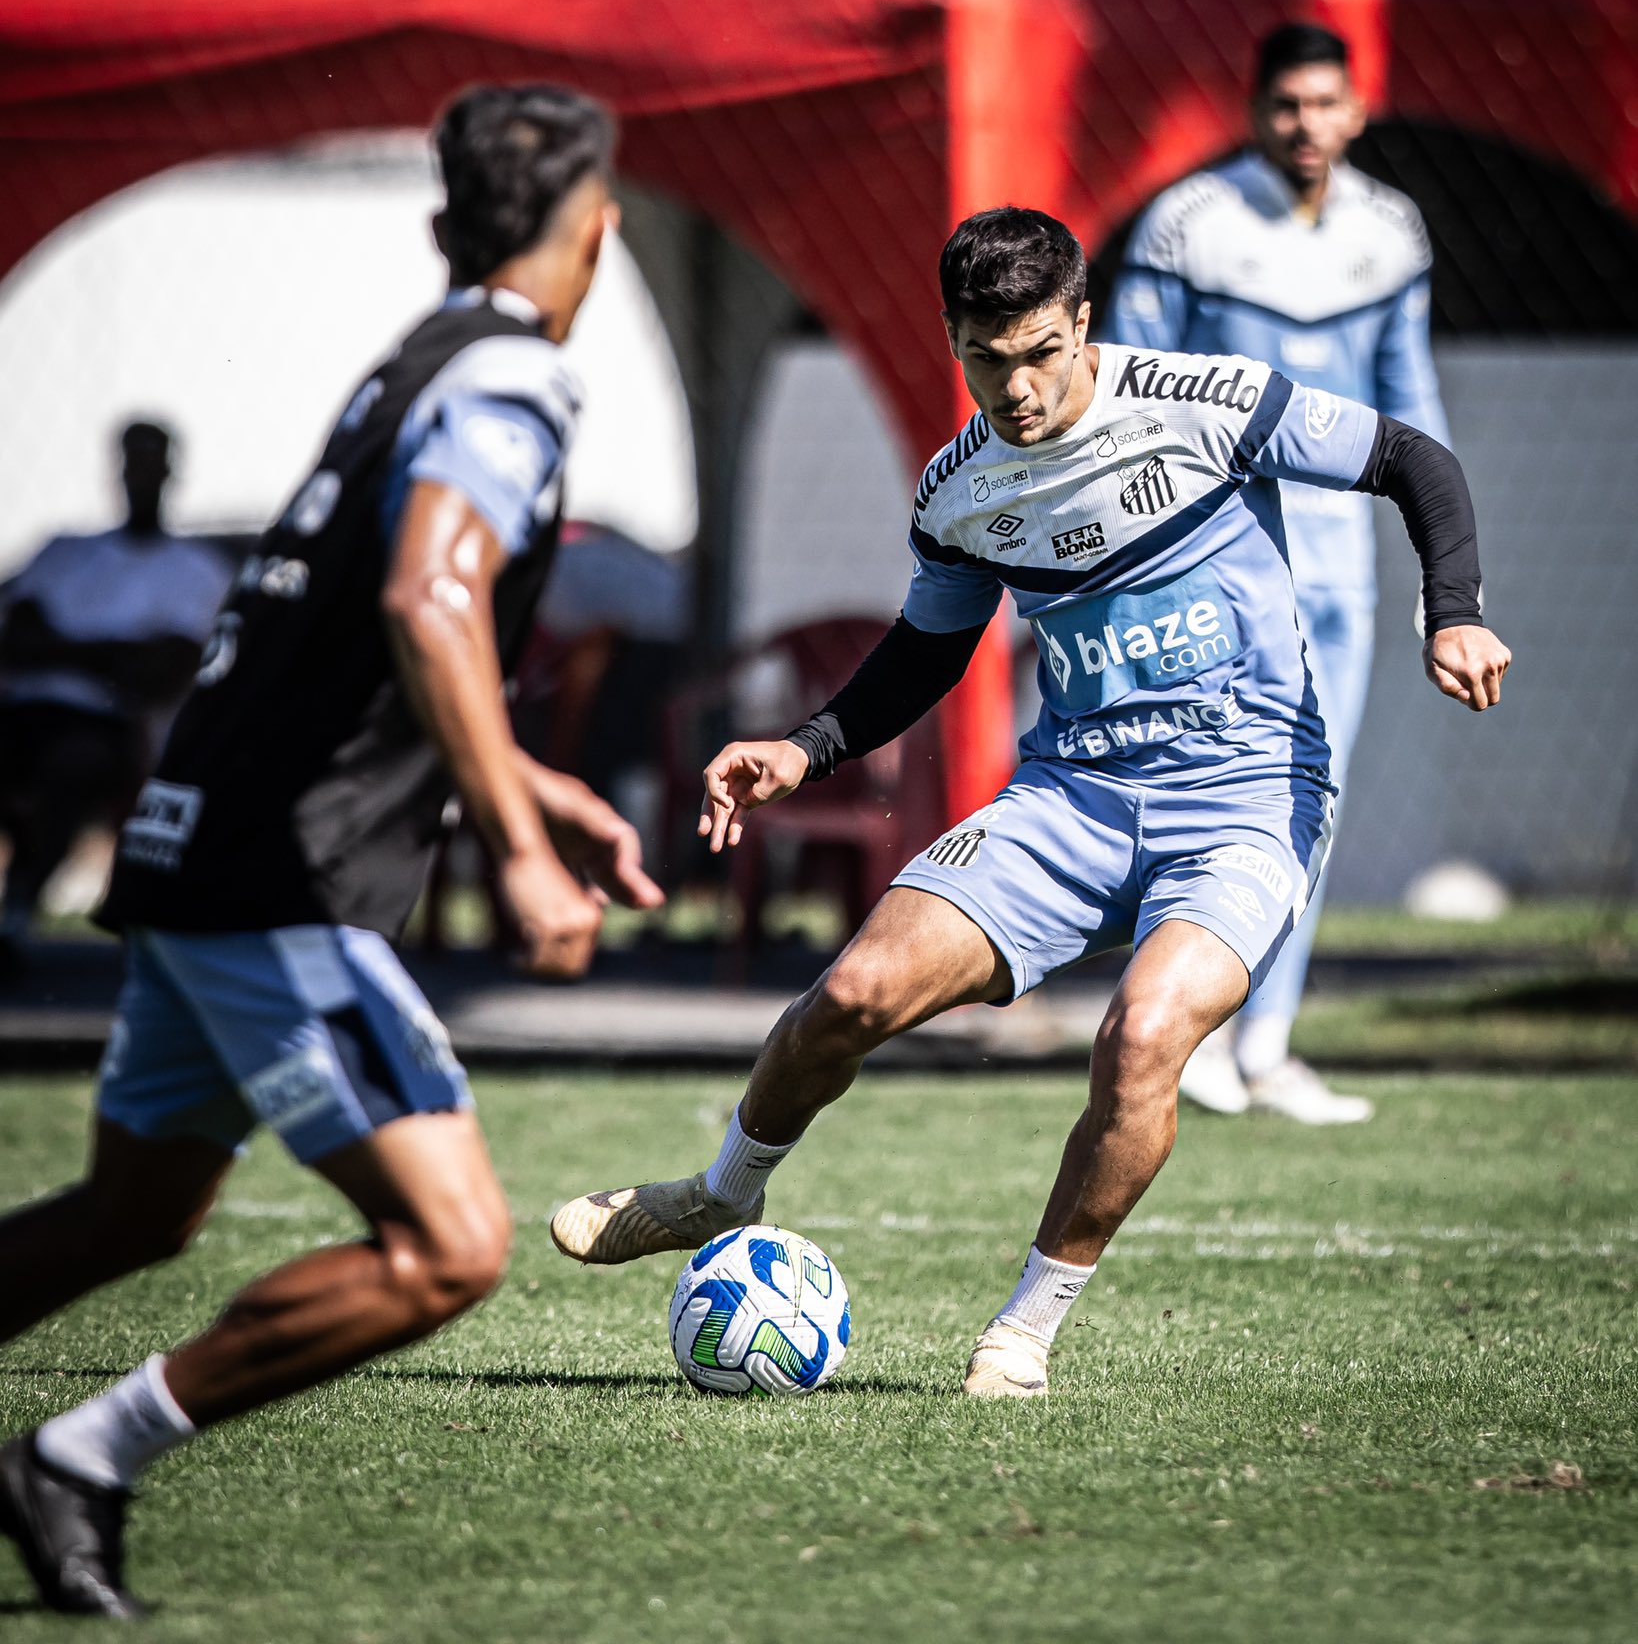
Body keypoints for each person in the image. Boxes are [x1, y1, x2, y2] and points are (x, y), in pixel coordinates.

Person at [550, 205, 1509, 1400]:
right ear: (956, 341)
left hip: (1250, 796)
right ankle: (718, 1195)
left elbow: (1410, 457)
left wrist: (1454, 604)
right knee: (848, 994)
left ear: (1082, 323)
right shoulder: (959, 490)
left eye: (1041, 350)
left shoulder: (1206, 399)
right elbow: (926, 650)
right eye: (986, 357)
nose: (1017, 385)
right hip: (1073, 798)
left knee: (1146, 1033)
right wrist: (807, 748)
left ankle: (1025, 1327)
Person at [0, 84, 663, 1618]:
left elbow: (354, 644)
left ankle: (69, 1461)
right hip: (280, 888)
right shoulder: (513, 380)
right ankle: (80, 1458)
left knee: (135, 1214)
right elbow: (429, 598)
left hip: (193, 843)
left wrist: (525, 781)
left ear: (443, 232)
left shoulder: (404, 370)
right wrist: (515, 847)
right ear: (598, 233)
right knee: (446, 1248)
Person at [1102, 21, 1448, 1124]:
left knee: (1314, 802)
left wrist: (1450, 572)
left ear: (1357, 111)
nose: (1306, 125)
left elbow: (1412, 405)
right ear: (1255, 111)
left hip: (1341, 570)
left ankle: (1267, 1045)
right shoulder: (1188, 223)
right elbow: (1125, 398)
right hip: (1217, 568)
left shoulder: (1391, 232)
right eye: (1286, 104)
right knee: (1203, 793)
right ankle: (1179, 1029)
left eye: (1326, 104)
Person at [0, 421, 230, 960]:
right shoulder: (66, 553)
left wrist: (63, 645)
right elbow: (15, 641)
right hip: (22, 710)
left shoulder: (194, 570)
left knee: (72, 764)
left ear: (172, 471)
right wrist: (113, 652)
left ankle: (18, 907)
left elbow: (164, 669)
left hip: (110, 723)